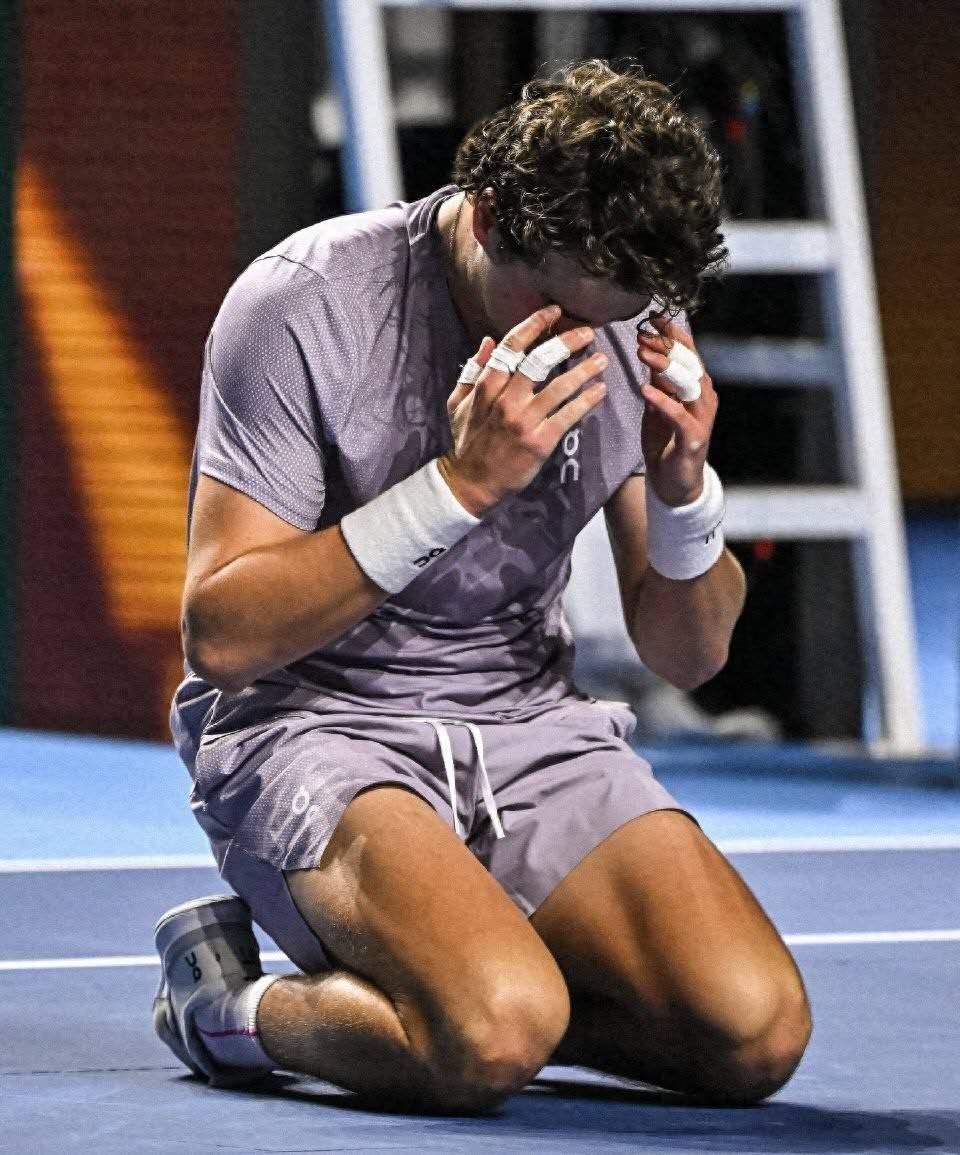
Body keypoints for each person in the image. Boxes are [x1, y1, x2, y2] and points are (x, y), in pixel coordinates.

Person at [154, 60, 811, 1112]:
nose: (572, 344)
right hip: (315, 727)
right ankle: (233, 1009)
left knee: (754, 1034)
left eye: (606, 317)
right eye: (549, 307)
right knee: (496, 1032)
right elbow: (222, 639)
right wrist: (458, 487)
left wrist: (686, 494)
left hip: (524, 725)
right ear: (489, 215)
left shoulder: (625, 326)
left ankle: (470, 979)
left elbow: (689, 654)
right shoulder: (303, 304)